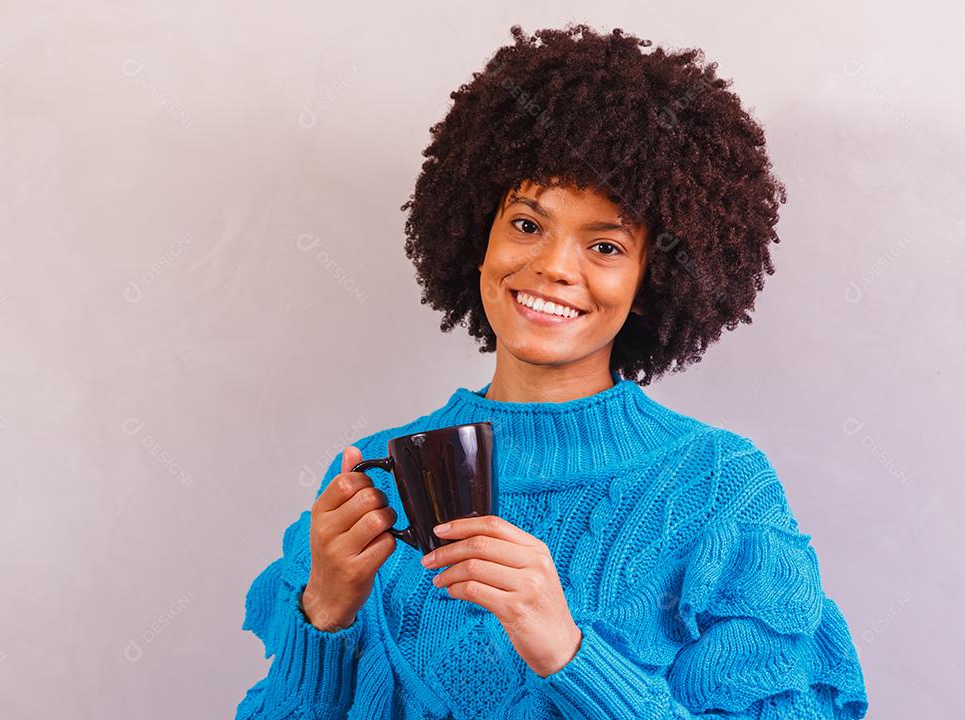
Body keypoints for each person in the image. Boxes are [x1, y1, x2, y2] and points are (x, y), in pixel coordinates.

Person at [234, 23, 869, 719]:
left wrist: (566, 651)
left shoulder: (719, 491)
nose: (554, 268)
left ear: (654, 278)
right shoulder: (373, 483)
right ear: (477, 233)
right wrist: (323, 613)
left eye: (604, 245)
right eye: (528, 225)